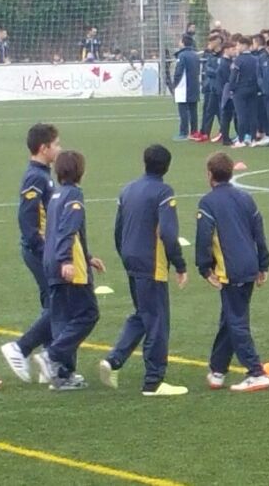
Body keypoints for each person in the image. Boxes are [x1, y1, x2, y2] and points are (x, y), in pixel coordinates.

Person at [100, 145, 190, 395]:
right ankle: (153, 381)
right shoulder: (163, 192)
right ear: (167, 167)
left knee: (142, 314)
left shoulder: (128, 189)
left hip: (131, 258)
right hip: (151, 261)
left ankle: (114, 360)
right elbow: (169, 233)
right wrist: (180, 264)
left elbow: (118, 229)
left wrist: (125, 254)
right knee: (158, 319)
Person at [195, 152, 269, 392]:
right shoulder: (246, 198)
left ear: (209, 174)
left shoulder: (208, 203)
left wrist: (204, 268)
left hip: (231, 269)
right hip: (249, 265)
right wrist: (263, 264)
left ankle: (256, 372)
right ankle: (218, 370)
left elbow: (203, 238)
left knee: (236, 322)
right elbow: (259, 232)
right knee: (229, 317)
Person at [0, 124, 62, 385]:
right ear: (44, 148)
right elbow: (27, 218)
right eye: (56, 144)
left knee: (52, 304)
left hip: (44, 249)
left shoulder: (44, 174)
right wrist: (43, 249)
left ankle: (50, 363)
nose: (59, 148)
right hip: (40, 251)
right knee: (60, 305)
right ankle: (20, 348)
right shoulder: (36, 177)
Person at [41, 150, 105, 391]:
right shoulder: (74, 195)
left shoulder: (56, 195)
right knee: (88, 314)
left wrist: (87, 257)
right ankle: (52, 355)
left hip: (51, 262)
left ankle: (62, 375)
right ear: (81, 171)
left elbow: (57, 231)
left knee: (63, 318)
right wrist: (68, 260)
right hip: (68, 266)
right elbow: (68, 229)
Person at [172, 36, 201, 142]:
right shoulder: (195, 55)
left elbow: (179, 72)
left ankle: (184, 132)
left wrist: (175, 84)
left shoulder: (182, 55)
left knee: (183, 110)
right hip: (194, 85)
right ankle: (194, 131)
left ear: (183, 43)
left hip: (183, 86)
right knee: (193, 110)